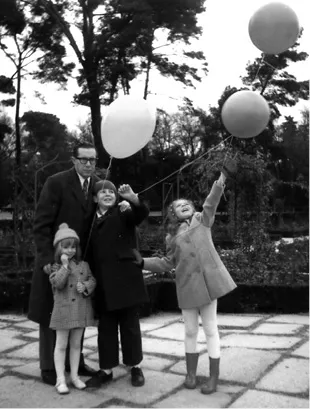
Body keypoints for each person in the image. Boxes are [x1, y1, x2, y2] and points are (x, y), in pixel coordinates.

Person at [140, 159, 238, 395]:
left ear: (193, 209)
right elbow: (167, 262)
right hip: (186, 287)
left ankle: (213, 377)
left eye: (186, 203)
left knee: (211, 329)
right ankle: (191, 373)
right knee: (191, 331)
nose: (183, 205)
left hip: (208, 285)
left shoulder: (202, 220)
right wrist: (141, 262)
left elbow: (211, 203)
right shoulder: (170, 237)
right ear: (171, 213)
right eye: (177, 205)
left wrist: (222, 177)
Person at [28, 142, 100, 385]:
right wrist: (48, 260)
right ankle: (49, 368)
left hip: (81, 265)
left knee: (77, 315)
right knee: (52, 313)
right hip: (57, 262)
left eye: (93, 159)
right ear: (74, 160)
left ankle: (74, 364)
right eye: (84, 159)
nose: (89, 164)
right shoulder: (56, 182)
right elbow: (41, 224)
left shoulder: (98, 185)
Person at [85, 180, 149, 388]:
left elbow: (140, 215)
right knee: (106, 328)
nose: (107, 194)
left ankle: (135, 367)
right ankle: (106, 370)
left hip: (126, 279)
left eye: (111, 192)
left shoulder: (123, 212)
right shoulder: (89, 220)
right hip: (102, 281)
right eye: (102, 192)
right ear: (95, 198)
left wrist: (133, 199)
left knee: (130, 326)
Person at [49, 223, 97, 394]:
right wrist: (64, 266)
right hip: (63, 311)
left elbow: (92, 281)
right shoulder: (54, 267)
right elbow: (57, 283)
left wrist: (85, 286)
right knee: (61, 345)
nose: (70, 250)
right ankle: (60, 379)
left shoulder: (84, 265)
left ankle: (75, 376)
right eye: (65, 246)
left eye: (72, 247)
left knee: (76, 345)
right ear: (58, 248)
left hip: (80, 310)